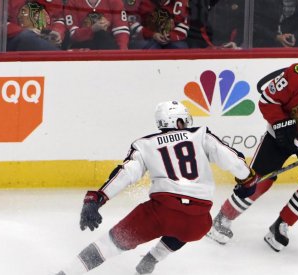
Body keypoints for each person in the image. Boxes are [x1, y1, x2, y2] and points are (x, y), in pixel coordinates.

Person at [55, 101, 258, 274]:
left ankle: (67, 273)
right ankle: (152, 259)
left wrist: (97, 198)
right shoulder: (201, 134)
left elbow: (126, 174)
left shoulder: (145, 144)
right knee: (184, 225)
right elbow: (232, 160)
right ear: (178, 121)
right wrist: (247, 180)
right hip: (199, 221)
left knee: (110, 244)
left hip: (160, 214)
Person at [206, 44, 298, 252]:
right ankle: (224, 217)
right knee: (259, 181)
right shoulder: (296, 74)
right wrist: (282, 124)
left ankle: (282, 224)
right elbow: (267, 99)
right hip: (280, 133)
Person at [0, 0, 66, 51]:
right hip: (14, 44)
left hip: (44, 39)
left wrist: (57, 31)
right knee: (26, 37)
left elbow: (58, 19)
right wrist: (25, 31)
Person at [63, 0, 130, 50]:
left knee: (102, 34)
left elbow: (121, 31)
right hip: (82, 45)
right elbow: (73, 36)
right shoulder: (72, 2)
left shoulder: (115, 2)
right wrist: (92, 29)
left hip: (108, 43)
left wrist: (122, 53)